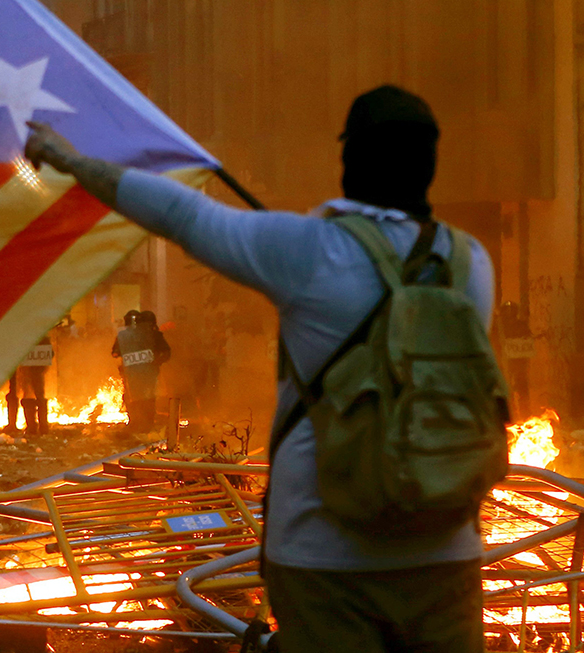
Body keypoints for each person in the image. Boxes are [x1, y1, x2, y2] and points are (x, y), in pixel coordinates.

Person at [25, 85, 491, 652]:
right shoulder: (471, 265)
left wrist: (72, 161)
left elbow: (182, 214)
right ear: (430, 165)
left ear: (349, 162)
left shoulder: (309, 250)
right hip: (447, 558)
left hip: (324, 560)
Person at [111, 310, 166, 432]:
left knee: (138, 397)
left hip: (137, 373)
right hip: (142, 373)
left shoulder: (150, 336)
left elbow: (115, 353)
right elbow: (166, 352)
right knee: (144, 397)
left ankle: (139, 422)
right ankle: (143, 422)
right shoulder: (152, 335)